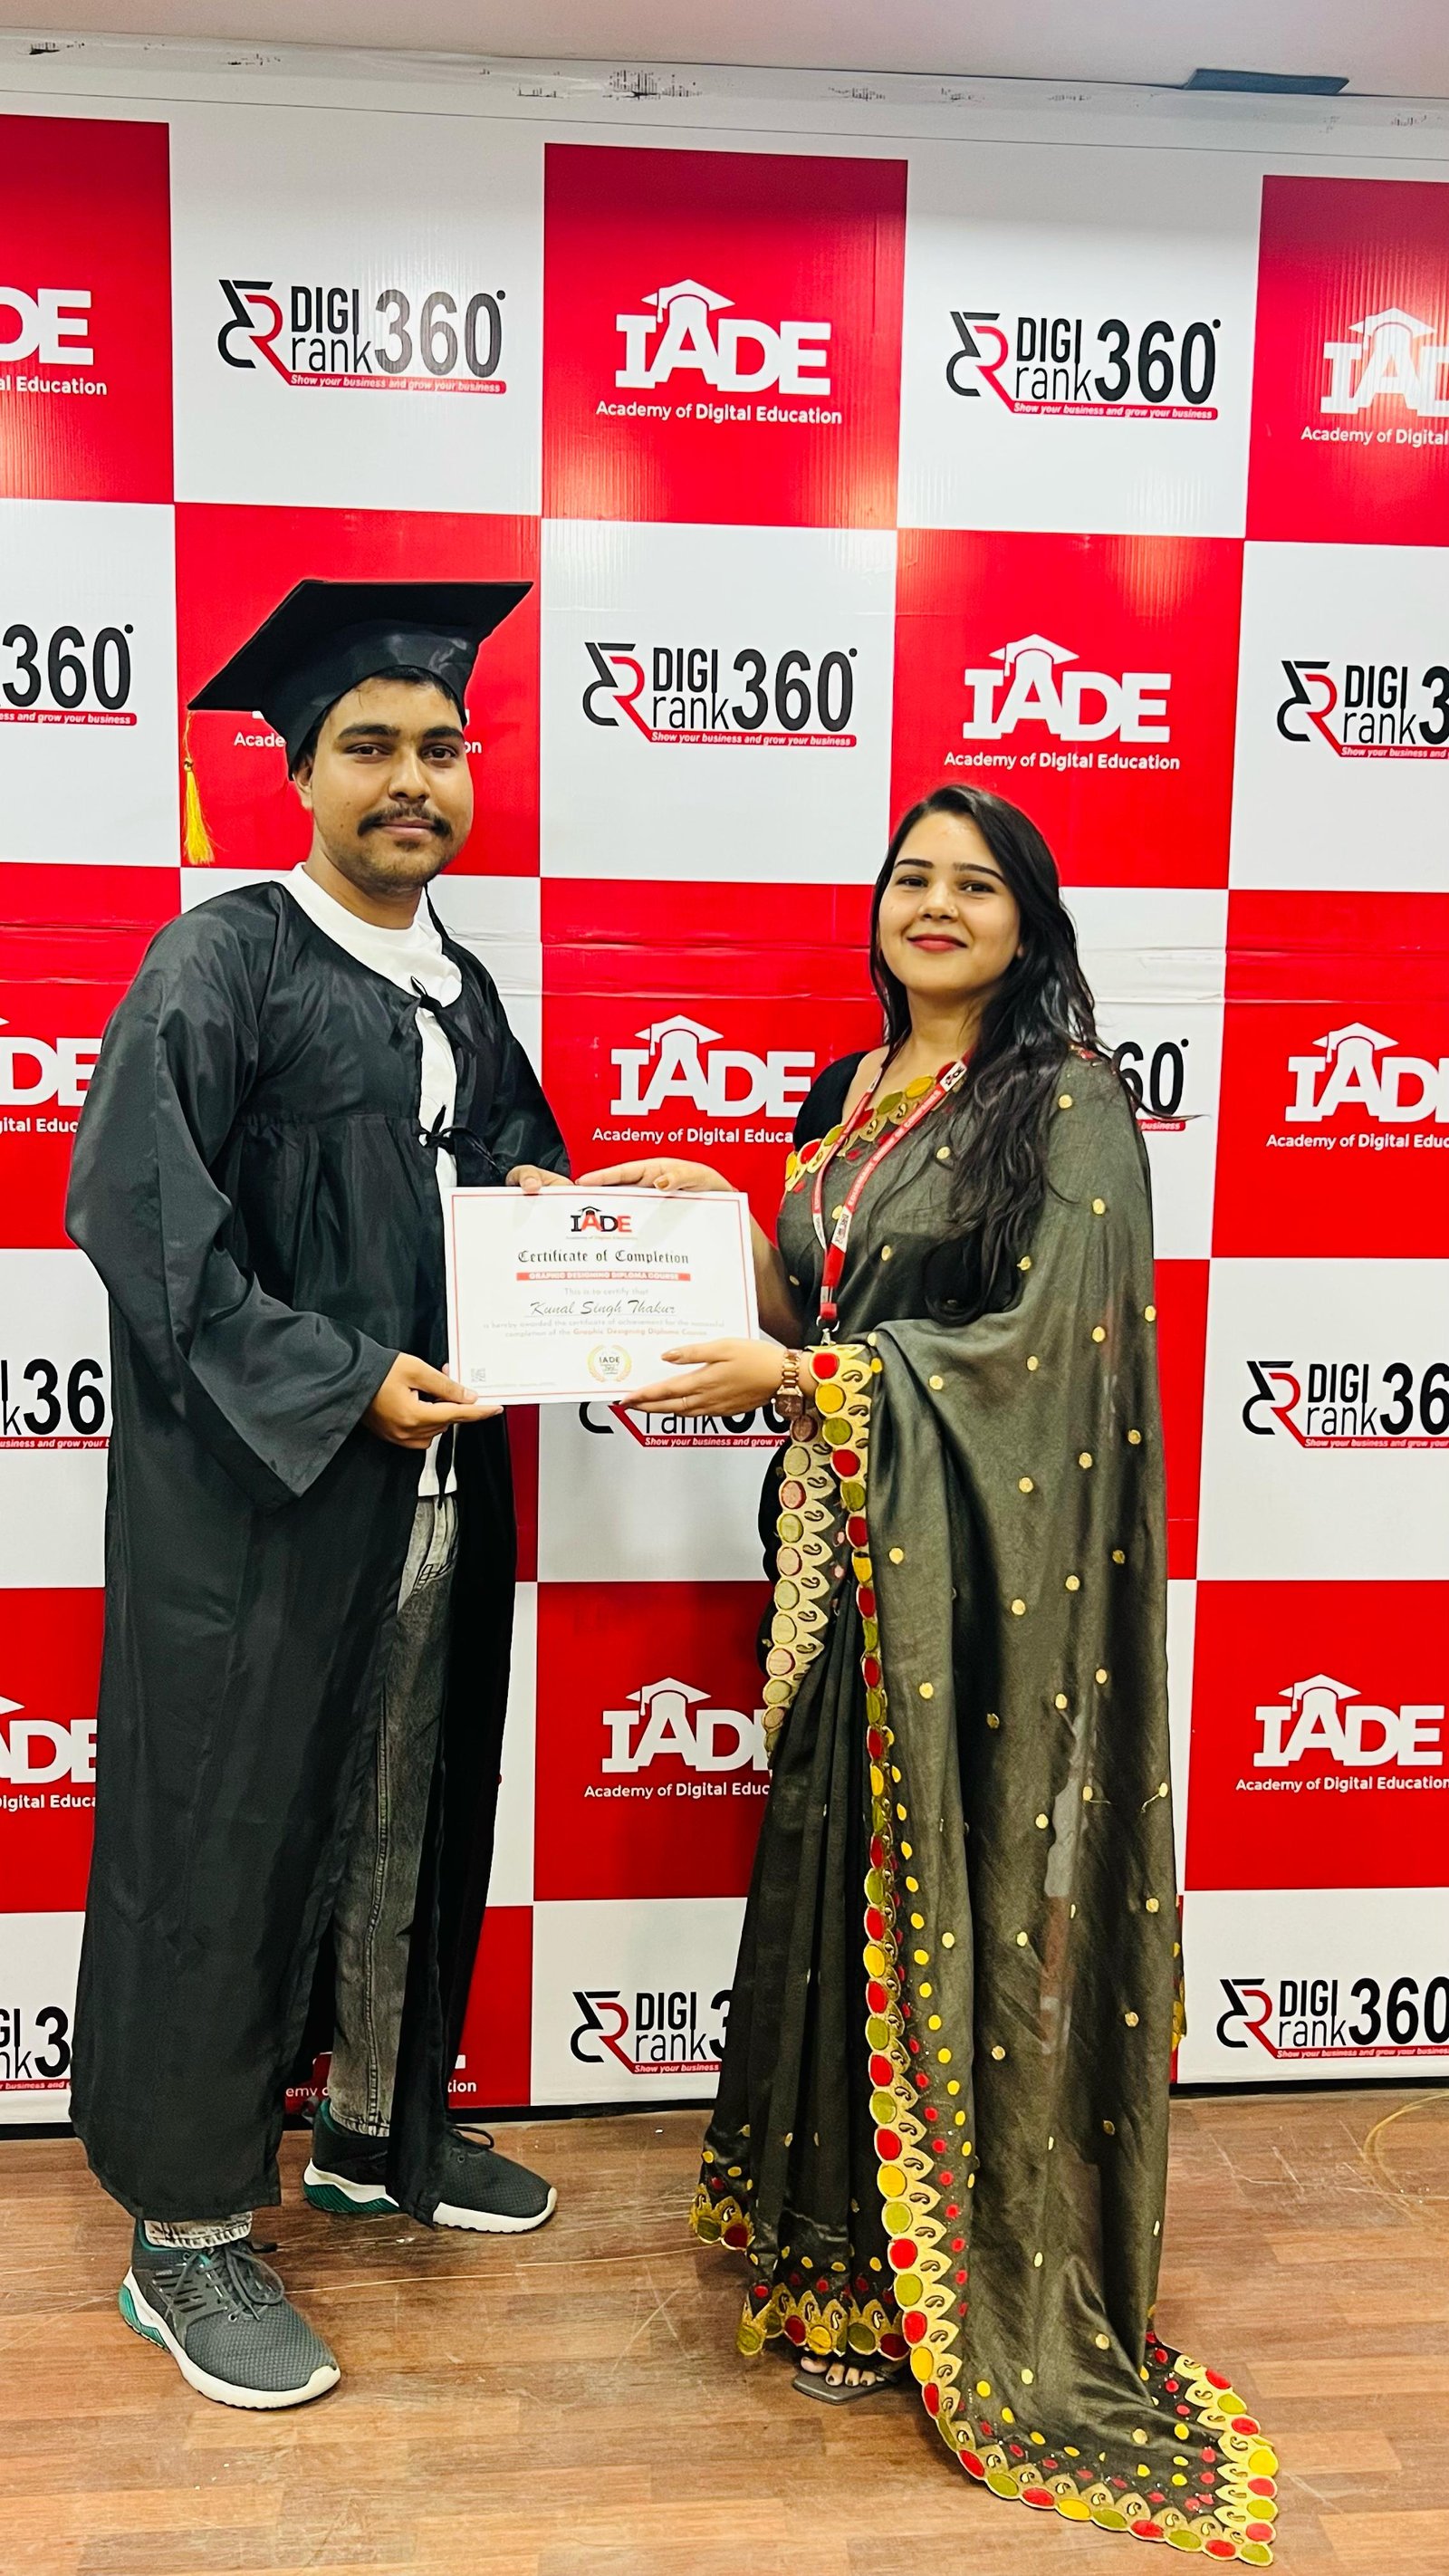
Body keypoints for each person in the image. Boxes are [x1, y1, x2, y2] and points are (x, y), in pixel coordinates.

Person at [580, 785, 1278, 2562]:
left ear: (1028, 922)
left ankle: (937, 2286)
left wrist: (820, 1382)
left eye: (978, 883)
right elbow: (818, 1303)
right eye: (913, 876)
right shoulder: (849, 1089)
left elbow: (1042, 1354)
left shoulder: (1065, 1103)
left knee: (941, 1895)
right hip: (844, 1559)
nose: (938, 903)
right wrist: (723, 1223)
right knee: (834, 1882)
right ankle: (834, 2258)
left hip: (975, 1591)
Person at [66, 581, 571, 2412]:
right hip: (254, 1503)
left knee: (404, 1799)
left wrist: (585, 1221)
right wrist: (341, 1378)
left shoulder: (462, 990)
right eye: (370, 747)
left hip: (436, 1491)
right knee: (221, 1832)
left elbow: (511, 1185)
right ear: (297, 774)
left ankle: (373, 2129)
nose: (411, 780)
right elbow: (140, 1213)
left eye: (440, 746)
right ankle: (186, 2225)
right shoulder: (227, 959)